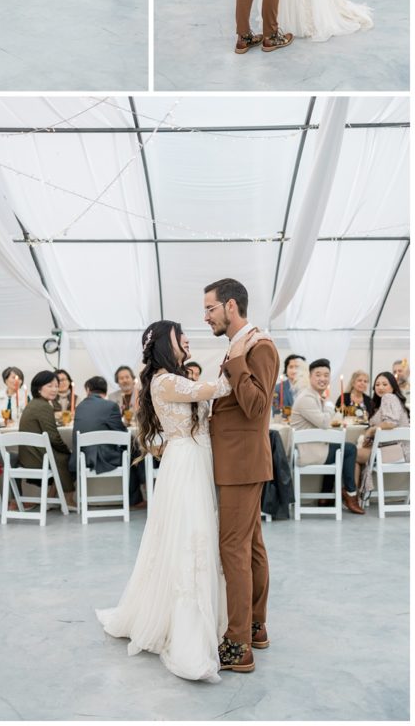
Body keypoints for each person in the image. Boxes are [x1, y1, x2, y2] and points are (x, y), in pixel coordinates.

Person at [97, 321, 231, 681]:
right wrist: (235, 359)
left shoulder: (171, 378)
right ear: (163, 344)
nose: (186, 338)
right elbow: (217, 388)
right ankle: (188, 632)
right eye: (180, 334)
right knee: (192, 538)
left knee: (193, 535)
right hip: (186, 463)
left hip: (191, 458)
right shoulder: (165, 380)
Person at [204, 277, 282, 671]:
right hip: (237, 460)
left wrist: (235, 361)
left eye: (210, 309)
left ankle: (238, 645)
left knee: (232, 548)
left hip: (241, 462)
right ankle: (255, 626)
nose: (206, 317)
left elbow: (255, 407)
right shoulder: (242, 345)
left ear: (231, 307)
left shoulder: (260, 346)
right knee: (250, 546)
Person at [289, 358, 364, 515]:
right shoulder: (307, 398)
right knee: (348, 449)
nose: (323, 378)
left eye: (326, 375)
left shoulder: (313, 396)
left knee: (337, 449)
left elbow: (323, 422)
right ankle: (350, 493)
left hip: (314, 449)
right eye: (318, 374)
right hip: (307, 453)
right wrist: (330, 405)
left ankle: (325, 497)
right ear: (310, 377)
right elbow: (324, 422)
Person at [68, 375, 146, 508]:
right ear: (105, 390)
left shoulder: (80, 407)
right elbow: (121, 434)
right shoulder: (110, 406)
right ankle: (143, 492)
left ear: (88, 390)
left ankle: (139, 495)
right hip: (100, 458)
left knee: (131, 450)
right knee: (133, 449)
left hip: (80, 458)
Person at [16, 370, 75, 500]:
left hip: (28, 455)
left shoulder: (35, 403)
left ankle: (51, 498)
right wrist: (67, 450)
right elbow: (54, 437)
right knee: (68, 458)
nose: (54, 389)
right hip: (35, 458)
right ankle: (69, 498)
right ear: (38, 388)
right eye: (50, 386)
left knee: (63, 456)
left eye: (56, 386)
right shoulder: (43, 406)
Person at [356, 372, 410, 492]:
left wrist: (370, 430)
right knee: (352, 455)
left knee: (349, 454)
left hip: (396, 451)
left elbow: (391, 423)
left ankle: (352, 494)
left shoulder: (388, 397)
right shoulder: (390, 401)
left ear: (393, 387)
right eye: (377, 384)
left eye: (385, 384)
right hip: (399, 450)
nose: (380, 387)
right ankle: (354, 495)